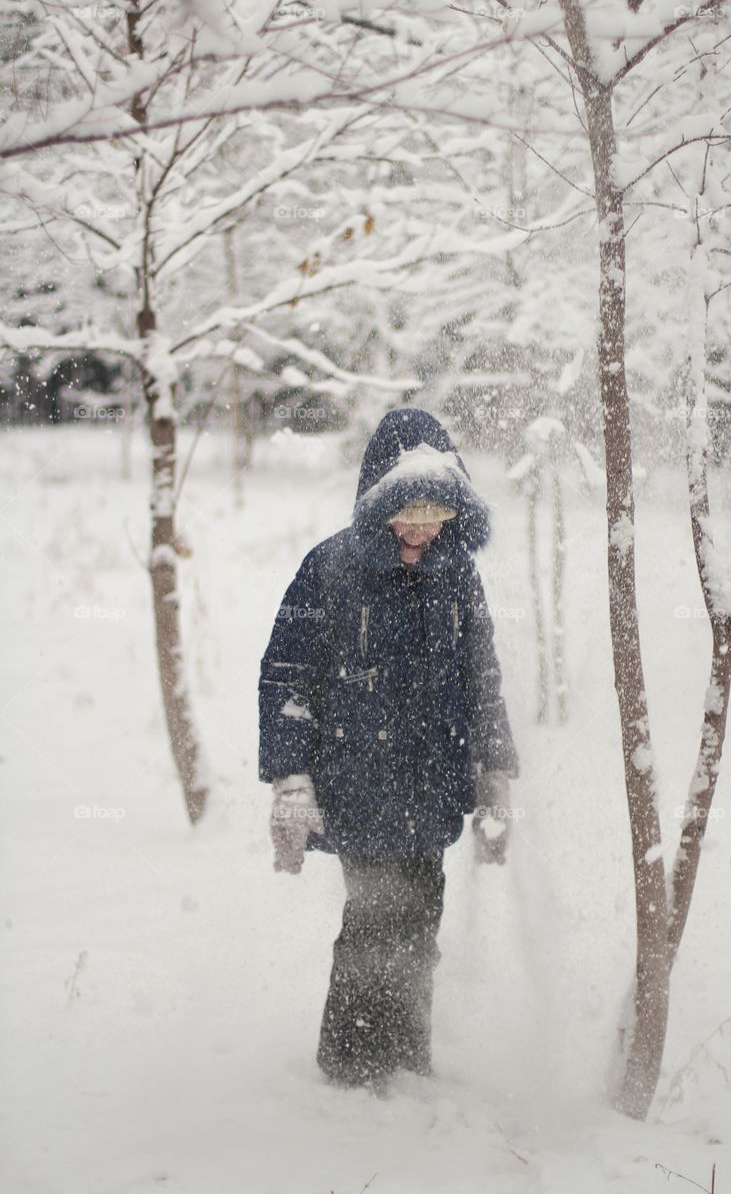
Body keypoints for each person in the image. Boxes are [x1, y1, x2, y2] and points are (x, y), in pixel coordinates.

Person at [258, 407, 520, 1090]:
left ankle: (406, 1062)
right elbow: (287, 677)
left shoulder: (458, 575)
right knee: (374, 917)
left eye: (437, 514)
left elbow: (481, 675)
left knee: (421, 918)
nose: (420, 529)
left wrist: (495, 772)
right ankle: (348, 1069)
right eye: (407, 512)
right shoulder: (332, 569)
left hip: (430, 786)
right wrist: (290, 778)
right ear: (377, 503)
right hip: (359, 781)